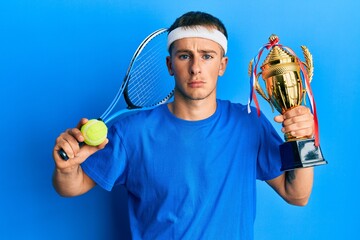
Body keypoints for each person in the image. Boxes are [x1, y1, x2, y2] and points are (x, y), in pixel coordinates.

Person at [53, 11, 315, 239]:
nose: (196, 68)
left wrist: (303, 140)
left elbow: (297, 195)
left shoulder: (249, 123)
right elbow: (71, 186)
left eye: (207, 56)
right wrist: (67, 168)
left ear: (222, 65)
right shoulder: (132, 132)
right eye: (184, 56)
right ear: (170, 64)